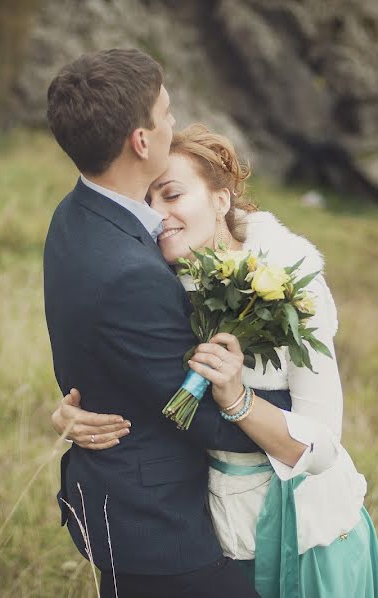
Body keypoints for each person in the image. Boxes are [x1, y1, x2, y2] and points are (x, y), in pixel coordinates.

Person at [51, 124, 378, 597]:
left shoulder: (292, 283)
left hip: (309, 533)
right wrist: (73, 410)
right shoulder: (154, 284)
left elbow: (322, 444)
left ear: (222, 199)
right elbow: (145, 378)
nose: (157, 215)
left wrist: (238, 398)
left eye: (171, 195)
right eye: (146, 202)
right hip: (219, 536)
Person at [45, 48, 297, 598]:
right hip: (161, 530)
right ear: (141, 141)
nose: (174, 124)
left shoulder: (75, 215)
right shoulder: (130, 273)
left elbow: (101, 349)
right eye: (167, 114)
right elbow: (195, 414)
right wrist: (295, 418)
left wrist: (74, 400)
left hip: (120, 502)